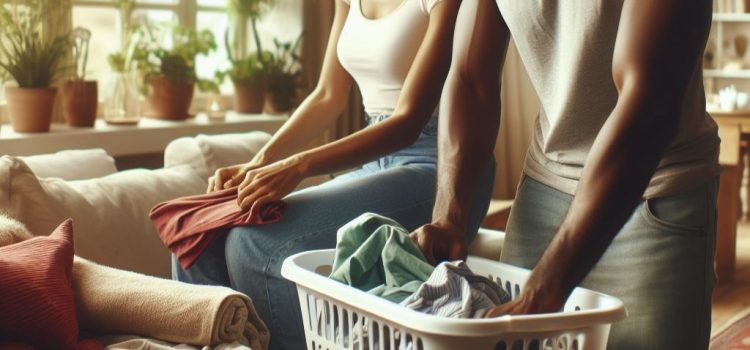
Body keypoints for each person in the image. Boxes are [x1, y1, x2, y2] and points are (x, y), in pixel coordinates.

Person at [173, 0, 495, 349]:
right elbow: (327, 96)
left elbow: (408, 121)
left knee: (252, 245)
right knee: (197, 235)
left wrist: (298, 166)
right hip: (379, 161)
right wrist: (259, 162)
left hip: (438, 164)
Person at [410, 1, 719, 349]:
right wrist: (449, 215)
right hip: (545, 188)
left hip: (653, 192)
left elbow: (649, 105)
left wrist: (546, 288)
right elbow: (470, 78)